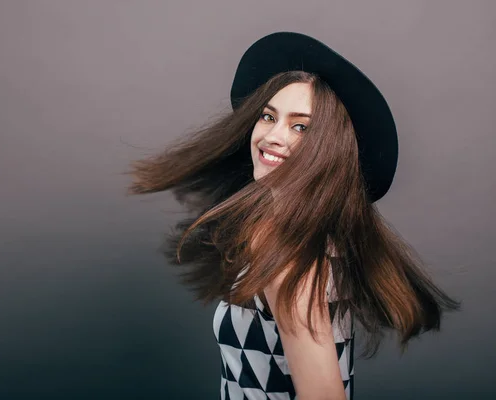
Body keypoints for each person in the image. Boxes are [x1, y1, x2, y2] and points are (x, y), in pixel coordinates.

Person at [125, 32, 461, 400]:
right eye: (268, 116)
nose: (273, 136)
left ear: (327, 149)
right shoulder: (306, 236)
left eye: (300, 126)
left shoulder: (286, 248)